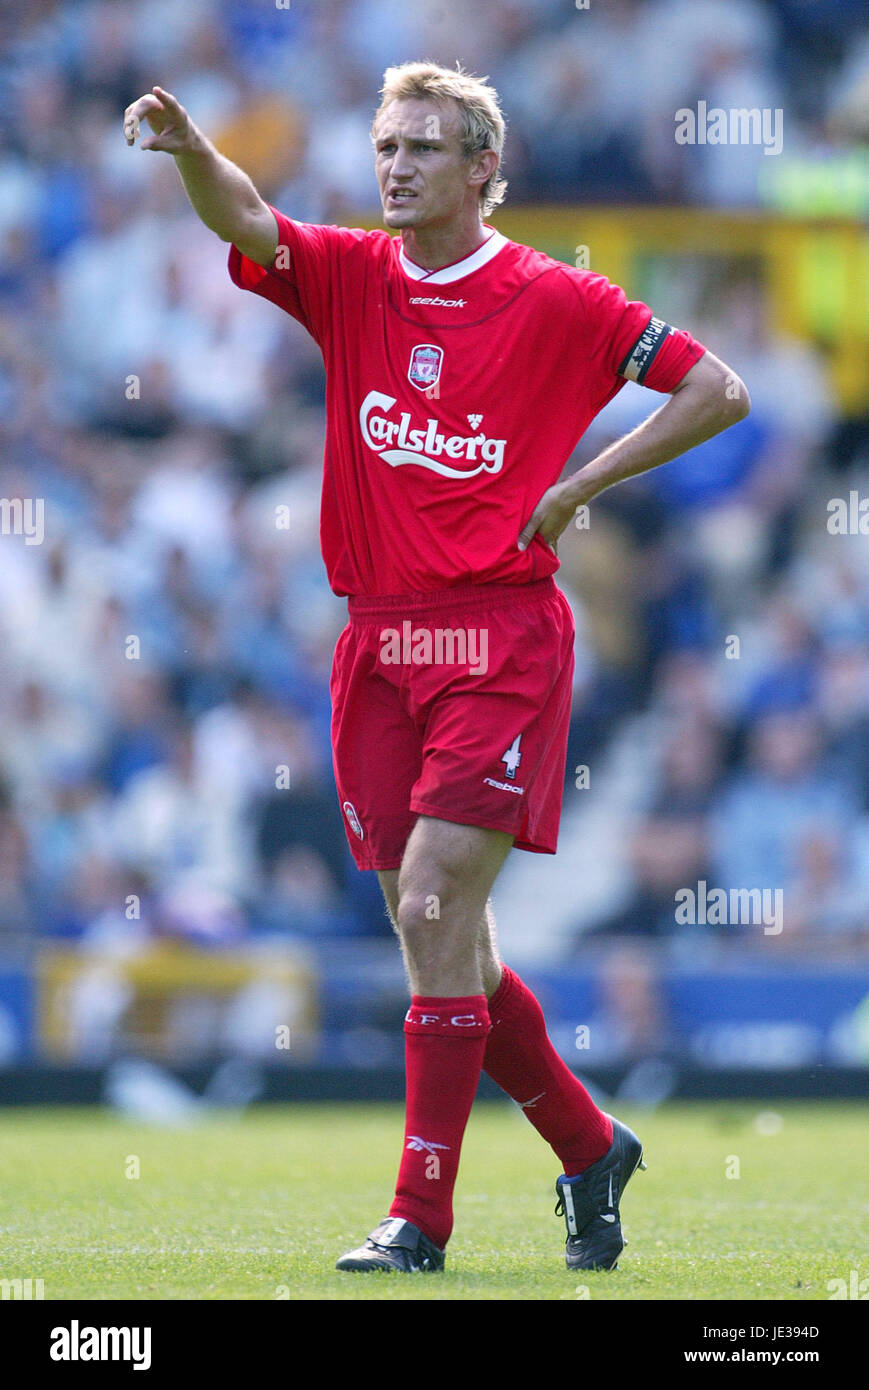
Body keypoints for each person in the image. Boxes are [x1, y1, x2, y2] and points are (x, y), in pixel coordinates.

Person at [123, 60, 749, 1275]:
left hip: (496, 637)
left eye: (421, 147)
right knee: (446, 939)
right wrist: (196, 149)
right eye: (385, 146)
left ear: (481, 169)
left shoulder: (557, 297)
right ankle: (586, 1143)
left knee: (427, 904)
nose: (394, 165)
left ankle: (420, 1216)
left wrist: (575, 485)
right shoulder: (354, 275)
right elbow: (250, 218)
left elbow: (714, 391)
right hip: (378, 640)